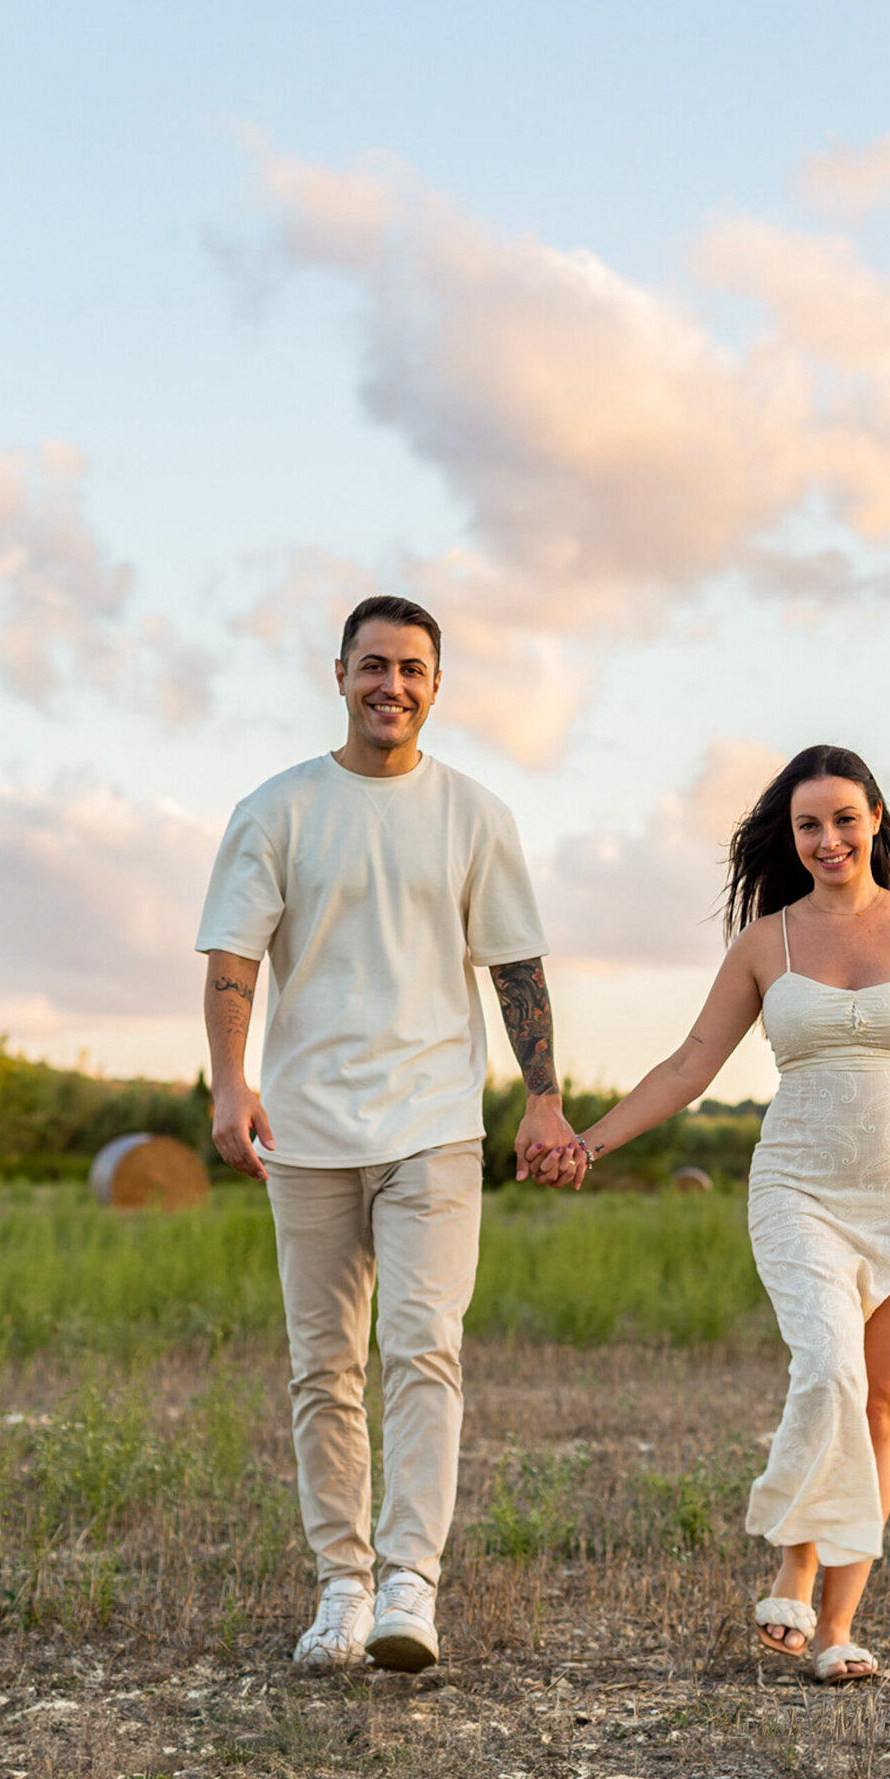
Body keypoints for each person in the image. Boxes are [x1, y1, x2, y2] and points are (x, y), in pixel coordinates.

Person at [529, 745, 890, 1682]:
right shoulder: (765, 944)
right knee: (830, 1372)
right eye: (808, 823)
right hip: (800, 1191)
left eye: (845, 819)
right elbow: (690, 1066)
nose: (828, 839)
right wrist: (589, 1142)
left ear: (877, 821)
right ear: (790, 835)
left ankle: (838, 1628)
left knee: (886, 1403)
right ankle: (791, 1559)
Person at [196, 594, 579, 1675]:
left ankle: (413, 1582)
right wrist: (231, 1085)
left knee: (421, 1347)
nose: (391, 686)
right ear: (339, 675)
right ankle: (342, 1590)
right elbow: (231, 960)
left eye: (412, 669)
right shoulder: (276, 809)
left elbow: (517, 968)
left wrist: (541, 1095)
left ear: (436, 686)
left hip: (435, 1127)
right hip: (308, 1128)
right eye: (374, 666)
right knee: (322, 1367)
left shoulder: (474, 814)